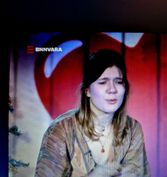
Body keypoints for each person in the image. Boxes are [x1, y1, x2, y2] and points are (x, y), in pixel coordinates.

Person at [34, 49, 150, 177]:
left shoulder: (132, 129)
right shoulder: (62, 129)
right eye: (102, 82)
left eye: (118, 81)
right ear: (87, 91)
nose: (112, 89)